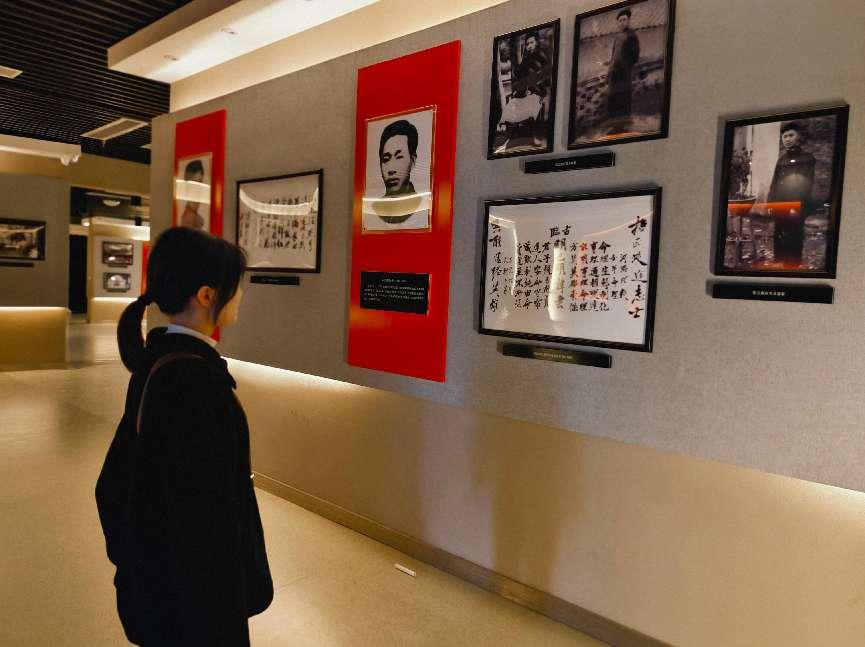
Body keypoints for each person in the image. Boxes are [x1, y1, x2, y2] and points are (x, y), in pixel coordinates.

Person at [95, 227, 273, 646]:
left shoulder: (159, 361)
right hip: (194, 607)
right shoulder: (193, 382)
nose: (241, 295)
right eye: (235, 286)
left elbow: (113, 485)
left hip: (163, 590)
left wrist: (135, 562)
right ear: (207, 295)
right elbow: (204, 519)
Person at [768, 121, 816, 264]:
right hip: (780, 203)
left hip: (796, 203)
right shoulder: (781, 160)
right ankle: (779, 261)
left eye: (791, 135)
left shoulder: (807, 158)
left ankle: (793, 263)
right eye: (785, 136)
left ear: (798, 137)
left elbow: (806, 185)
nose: (787, 139)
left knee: (795, 233)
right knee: (779, 232)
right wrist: (771, 202)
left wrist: (798, 206)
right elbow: (775, 182)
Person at [374, 119, 423, 224]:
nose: (391, 169)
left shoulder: (422, 206)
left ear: (412, 161)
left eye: (399, 157)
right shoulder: (374, 209)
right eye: (386, 159)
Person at [605, 8, 641, 134]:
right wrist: (610, 70)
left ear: (628, 21)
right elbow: (613, 55)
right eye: (620, 20)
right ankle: (614, 126)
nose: (622, 22)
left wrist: (625, 66)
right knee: (613, 99)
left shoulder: (631, 36)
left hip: (624, 73)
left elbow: (635, 55)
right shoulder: (617, 37)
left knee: (623, 98)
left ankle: (623, 127)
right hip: (614, 73)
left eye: (624, 20)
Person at [179, 160, 206, 230]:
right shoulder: (188, 219)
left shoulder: (198, 218)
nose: (199, 187)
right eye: (195, 182)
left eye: (200, 182)